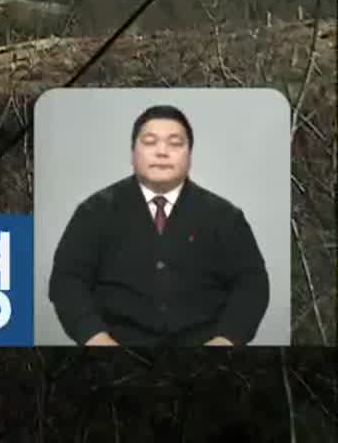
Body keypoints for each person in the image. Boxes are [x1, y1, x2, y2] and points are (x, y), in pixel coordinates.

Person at [46, 103, 269, 348]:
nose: (162, 151)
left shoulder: (225, 217)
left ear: (189, 155)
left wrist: (227, 340)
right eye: (150, 142)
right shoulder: (95, 212)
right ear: (133, 153)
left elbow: (252, 283)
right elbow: (67, 280)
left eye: (175, 143)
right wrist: (97, 340)